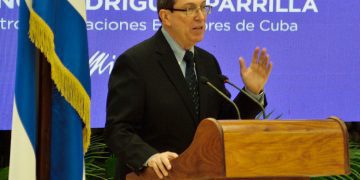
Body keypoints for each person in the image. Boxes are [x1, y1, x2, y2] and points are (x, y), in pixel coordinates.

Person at [104, 0, 272, 179]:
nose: (200, 16)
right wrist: (149, 157)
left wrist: (251, 92)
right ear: (166, 17)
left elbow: (222, 125)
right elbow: (118, 129)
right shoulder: (135, 62)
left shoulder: (208, 62)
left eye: (203, 7)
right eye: (189, 9)